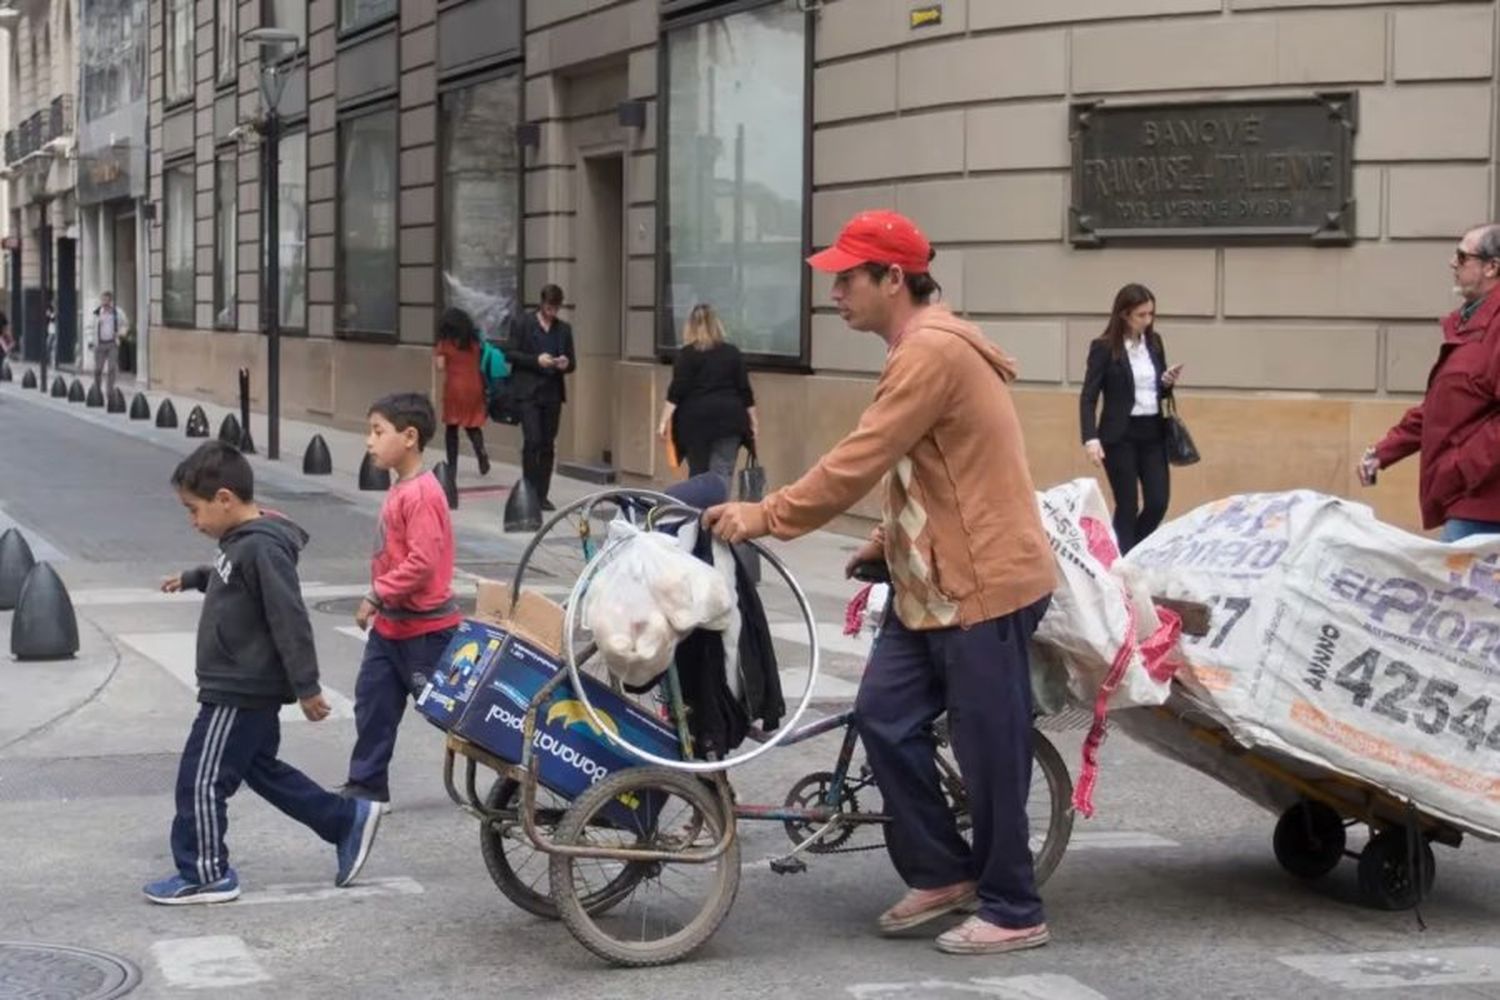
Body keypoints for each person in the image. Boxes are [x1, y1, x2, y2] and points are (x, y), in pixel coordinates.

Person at [703, 210, 1056, 956]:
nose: (835, 291)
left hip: (983, 582)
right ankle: (941, 872)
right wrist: (883, 542)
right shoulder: (914, 346)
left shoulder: (930, 351)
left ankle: (1014, 907)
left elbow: (860, 458)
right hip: (931, 580)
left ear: (894, 278)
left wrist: (766, 514)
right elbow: (923, 467)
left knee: (988, 748)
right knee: (884, 716)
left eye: (848, 276)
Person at [146, 441, 382, 904]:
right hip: (239, 682)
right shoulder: (240, 542)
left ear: (225, 499)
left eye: (194, 511)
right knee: (261, 770)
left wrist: (308, 686)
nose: (193, 522)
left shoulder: (262, 548)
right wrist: (195, 577)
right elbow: (231, 576)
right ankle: (342, 820)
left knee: (200, 779)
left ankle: (205, 871)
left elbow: (288, 617)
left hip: (240, 687)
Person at [343, 393, 463, 805]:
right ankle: (366, 787)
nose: (369, 441)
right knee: (372, 704)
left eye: (378, 431)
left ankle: (518, 775)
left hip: (426, 632)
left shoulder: (423, 494)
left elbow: (423, 563)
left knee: (455, 715)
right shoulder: (402, 489)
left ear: (409, 436)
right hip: (391, 627)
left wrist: (377, 593)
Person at [1360, 223, 1500, 541]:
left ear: (1492, 267)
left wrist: (1461, 467)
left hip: (1484, 507)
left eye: (1463, 257)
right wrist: (1383, 451)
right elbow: (1442, 407)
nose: (1453, 263)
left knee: (1457, 591)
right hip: (1469, 502)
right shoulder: (1469, 323)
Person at [1078, 283, 1183, 554]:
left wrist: (1167, 382)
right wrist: (1090, 438)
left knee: (1158, 502)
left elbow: (1160, 390)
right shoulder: (1103, 348)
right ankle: (1124, 565)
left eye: (1151, 315)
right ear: (1124, 314)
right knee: (1127, 505)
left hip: (1153, 432)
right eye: (1141, 315)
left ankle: (1127, 553)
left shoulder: (1155, 342)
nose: (1147, 321)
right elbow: (1089, 396)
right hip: (1120, 435)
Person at [657, 303, 758, 484]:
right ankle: (719, 511)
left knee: (699, 475)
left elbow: (676, 391)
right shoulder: (732, 353)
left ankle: (702, 511)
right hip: (729, 420)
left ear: (690, 327)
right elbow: (745, 390)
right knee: (722, 473)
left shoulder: (687, 355)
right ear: (717, 325)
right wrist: (753, 421)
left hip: (695, 423)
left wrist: (664, 421)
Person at [505, 284, 576, 511]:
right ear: (542, 304)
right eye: (548, 308)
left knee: (547, 444)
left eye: (555, 309)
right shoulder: (523, 323)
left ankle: (542, 494)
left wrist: (564, 363)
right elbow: (511, 354)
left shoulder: (563, 329)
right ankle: (529, 490)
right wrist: (536, 360)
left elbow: (573, 363)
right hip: (528, 392)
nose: (551, 313)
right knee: (532, 440)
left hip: (552, 393)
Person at [433, 307, 492, 495]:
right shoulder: (473, 342)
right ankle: (481, 451)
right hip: (474, 386)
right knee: (472, 423)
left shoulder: (445, 343)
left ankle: (452, 467)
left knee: (452, 428)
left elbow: (441, 366)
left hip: (455, 388)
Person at [91, 290, 128, 396]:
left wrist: (120, 333)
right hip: (100, 344)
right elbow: (90, 327)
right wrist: (91, 340)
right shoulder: (97, 313)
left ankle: (109, 391)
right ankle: (97, 390)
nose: (105, 302)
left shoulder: (117, 312)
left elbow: (125, 324)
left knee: (112, 368)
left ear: (111, 301)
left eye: (107, 300)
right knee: (98, 369)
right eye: (103, 300)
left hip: (112, 343)